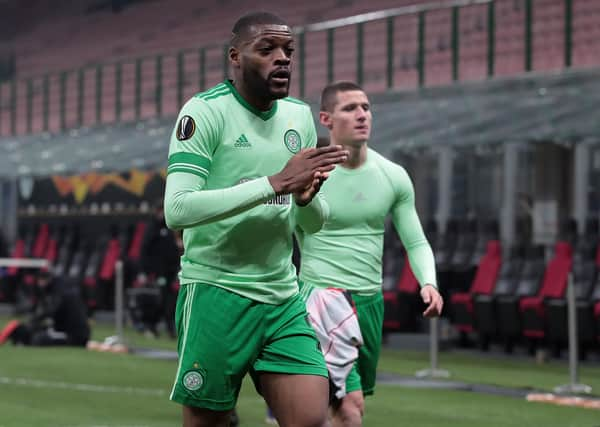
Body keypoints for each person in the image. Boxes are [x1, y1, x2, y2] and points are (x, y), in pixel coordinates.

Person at [164, 12, 348, 427]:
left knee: (310, 418)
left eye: (288, 50)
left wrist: (304, 199)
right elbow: (176, 209)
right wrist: (275, 182)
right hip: (216, 291)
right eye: (267, 49)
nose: (282, 58)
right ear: (236, 56)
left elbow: (312, 223)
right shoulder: (204, 112)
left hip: (282, 296)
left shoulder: (298, 117)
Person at [295, 81, 444, 427]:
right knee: (349, 408)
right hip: (322, 299)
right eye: (350, 108)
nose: (362, 114)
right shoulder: (308, 174)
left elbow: (416, 241)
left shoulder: (393, 176)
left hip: (369, 303)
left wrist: (429, 282)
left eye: (366, 107)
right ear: (326, 119)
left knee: (342, 410)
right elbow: (288, 231)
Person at [0, 270, 90, 347]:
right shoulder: (59, 292)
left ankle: (21, 340)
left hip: (73, 335)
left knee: (39, 339)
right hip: (67, 331)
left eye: (42, 280)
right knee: (38, 334)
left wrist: (36, 320)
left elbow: (54, 312)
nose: (40, 284)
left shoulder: (60, 294)